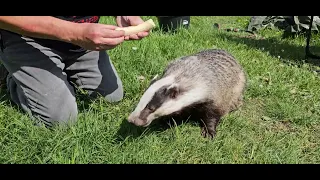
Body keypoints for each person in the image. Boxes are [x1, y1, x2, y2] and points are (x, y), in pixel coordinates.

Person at [0, 16, 149, 127]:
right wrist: (76, 33)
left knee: (112, 97)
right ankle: (11, 75)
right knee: (60, 120)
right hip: (27, 38)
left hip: (81, 36)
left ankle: (60, 70)